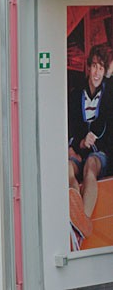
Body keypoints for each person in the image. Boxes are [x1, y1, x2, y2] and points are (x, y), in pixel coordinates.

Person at [68, 44, 113, 241]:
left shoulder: (108, 93)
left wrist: (92, 138)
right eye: (94, 66)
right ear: (89, 67)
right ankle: (80, 220)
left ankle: (81, 222)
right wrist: (75, 144)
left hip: (98, 151)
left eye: (101, 68)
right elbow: (70, 123)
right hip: (78, 148)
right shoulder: (76, 92)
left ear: (105, 71)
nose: (96, 72)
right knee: (67, 168)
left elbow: (103, 122)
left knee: (90, 167)